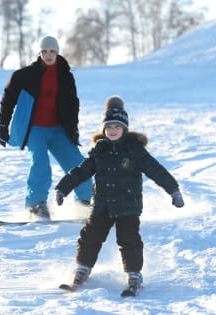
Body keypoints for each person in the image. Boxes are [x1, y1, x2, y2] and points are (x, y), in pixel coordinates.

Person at [55, 95, 185, 293]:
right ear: (104, 130)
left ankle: (134, 275)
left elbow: (156, 171)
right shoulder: (99, 150)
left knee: (129, 241)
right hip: (102, 206)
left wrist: (173, 190)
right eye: (109, 127)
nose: (112, 130)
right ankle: (82, 270)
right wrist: (63, 188)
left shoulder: (135, 150)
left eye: (117, 127)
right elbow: (81, 171)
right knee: (90, 237)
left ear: (124, 129)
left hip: (128, 207)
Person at [0, 35, 92, 220]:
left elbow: (73, 105)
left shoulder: (65, 76)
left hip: (58, 130)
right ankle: (36, 205)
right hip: (35, 130)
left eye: (52, 51)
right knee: (40, 164)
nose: (48, 55)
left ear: (57, 52)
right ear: (39, 53)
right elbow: (8, 100)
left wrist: (73, 129)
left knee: (79, 165)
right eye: (45, 51)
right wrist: (3, 126)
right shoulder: (24, 76)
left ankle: (84, 204)